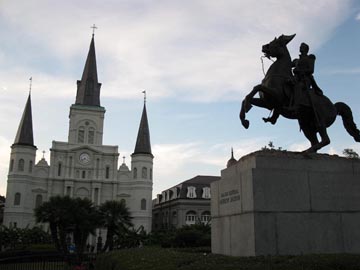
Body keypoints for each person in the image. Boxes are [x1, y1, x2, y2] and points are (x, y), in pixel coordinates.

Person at [287, 42, 323, 113]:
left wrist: (299, 70)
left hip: (305, 79)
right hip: (296, 78)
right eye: (300, 46)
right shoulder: (296, 60)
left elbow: (311, 70)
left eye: (302, 46)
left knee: (298, 87)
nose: (300, 47)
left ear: (306, 49)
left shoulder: (310, 58)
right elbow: (287, 64)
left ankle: (296, 106)